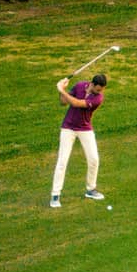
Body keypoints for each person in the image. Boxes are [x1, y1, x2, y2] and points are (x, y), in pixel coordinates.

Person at [49, 71, 107, 208]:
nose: (100, 92)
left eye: (102, 90)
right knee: (62, 161)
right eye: (98, 89)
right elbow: (63, 102)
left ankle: (91, 189)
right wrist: (62, 91)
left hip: (85, 129)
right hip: (68, 128)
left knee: (94, 159)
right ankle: (55, 195)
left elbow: (76, 103)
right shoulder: (80, 86)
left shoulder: (98, 98)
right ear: (92, 84)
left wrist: (61, 89)